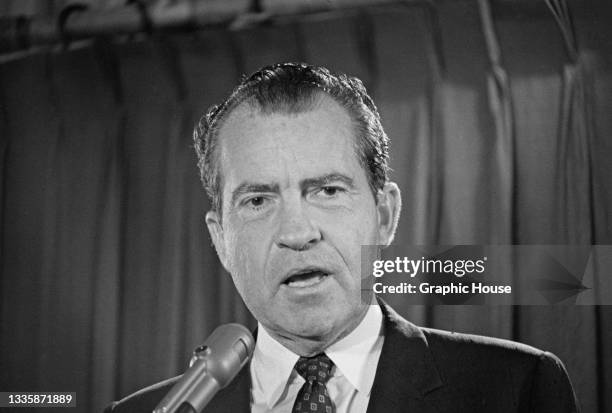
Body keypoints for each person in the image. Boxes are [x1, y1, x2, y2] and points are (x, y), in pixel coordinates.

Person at [105, 62, 579, 412]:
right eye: (257, 201)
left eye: (328, 190)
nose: (296, 232)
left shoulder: (518, 389)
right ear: (220, 239)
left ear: (386, 215)